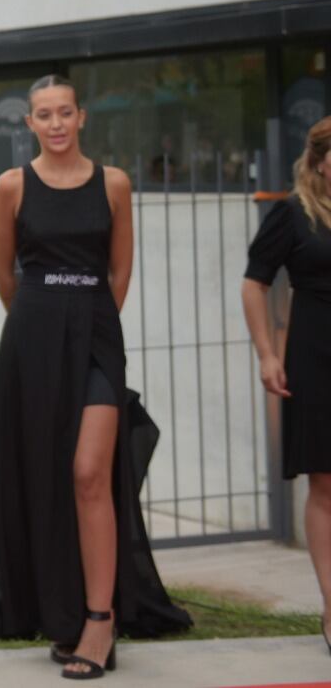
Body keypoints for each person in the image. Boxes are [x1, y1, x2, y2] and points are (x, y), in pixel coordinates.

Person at [0, 74, 188, 679]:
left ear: (81, 116)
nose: (57, 123)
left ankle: (100, 619)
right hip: (33, 338)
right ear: (31, 123)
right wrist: (45, 323)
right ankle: (61, 614)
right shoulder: (12, 186)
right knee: (45, 477)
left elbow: (120, 273)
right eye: (45, 114)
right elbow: (2, 271)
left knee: (90, 471)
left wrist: (87, 322)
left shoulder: (113, 183)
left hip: (96, 336)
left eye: (66, 112)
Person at [244, 115, 331, 653]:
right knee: (325, 483)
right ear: (321, 159)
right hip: (316, 355)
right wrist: (267, 355)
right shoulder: (293, 214)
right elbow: (255, 283)